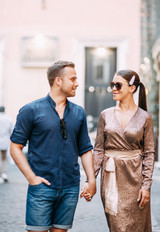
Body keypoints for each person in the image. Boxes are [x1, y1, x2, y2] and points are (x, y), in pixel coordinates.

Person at [10, 60, 96, 232]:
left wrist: (91, 180)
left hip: (70, 188)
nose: (77, 83)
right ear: (58, 81)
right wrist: (32, 178)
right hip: (42, 188)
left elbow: (85, 149)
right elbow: (15, 148)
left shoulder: (79, 112)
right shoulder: (30, 110)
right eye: (72, 79)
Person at [92, 70, 155, 232]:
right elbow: (98, 150)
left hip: (136, 180)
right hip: (111, 178)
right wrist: (90, 180)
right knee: (117, 226)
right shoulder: (105, 115)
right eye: (112, 85)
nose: (114, 88)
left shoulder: (145, 117)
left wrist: (146, 186)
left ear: (132, 88)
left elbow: (149, 154)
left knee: (136, 227)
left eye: (118, 85)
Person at [0, 106, 13, 183]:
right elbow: (11, 131)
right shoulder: (8, 119)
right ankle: (4, 173)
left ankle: (0, 175)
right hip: (5, 141)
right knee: (4, 158)